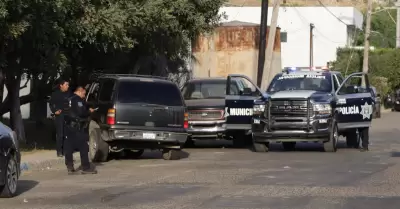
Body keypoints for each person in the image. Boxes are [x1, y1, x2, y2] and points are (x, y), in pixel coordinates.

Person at [64, 86, 97, 175]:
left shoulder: (69, 98)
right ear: (79, 91)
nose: (84, 95)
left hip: (68, 126)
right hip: (76, 126)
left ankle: (70, 167)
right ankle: (85, 167)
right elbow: (81, 113)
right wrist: (89, 112)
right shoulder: (77, 100)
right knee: (84, 147)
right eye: (84, 93)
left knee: (69, 147)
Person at [49, 79, 70, 157]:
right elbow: (51, 104)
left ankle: (65, 151)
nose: (67, 86)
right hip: (59, 116)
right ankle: (59, 151)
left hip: (67, 115)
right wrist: (54, 111)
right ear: (61, 85)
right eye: (66, 85)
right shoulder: (55, 94)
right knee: (60, 134)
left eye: (68, 85)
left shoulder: (68, 94)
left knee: (66, 134)